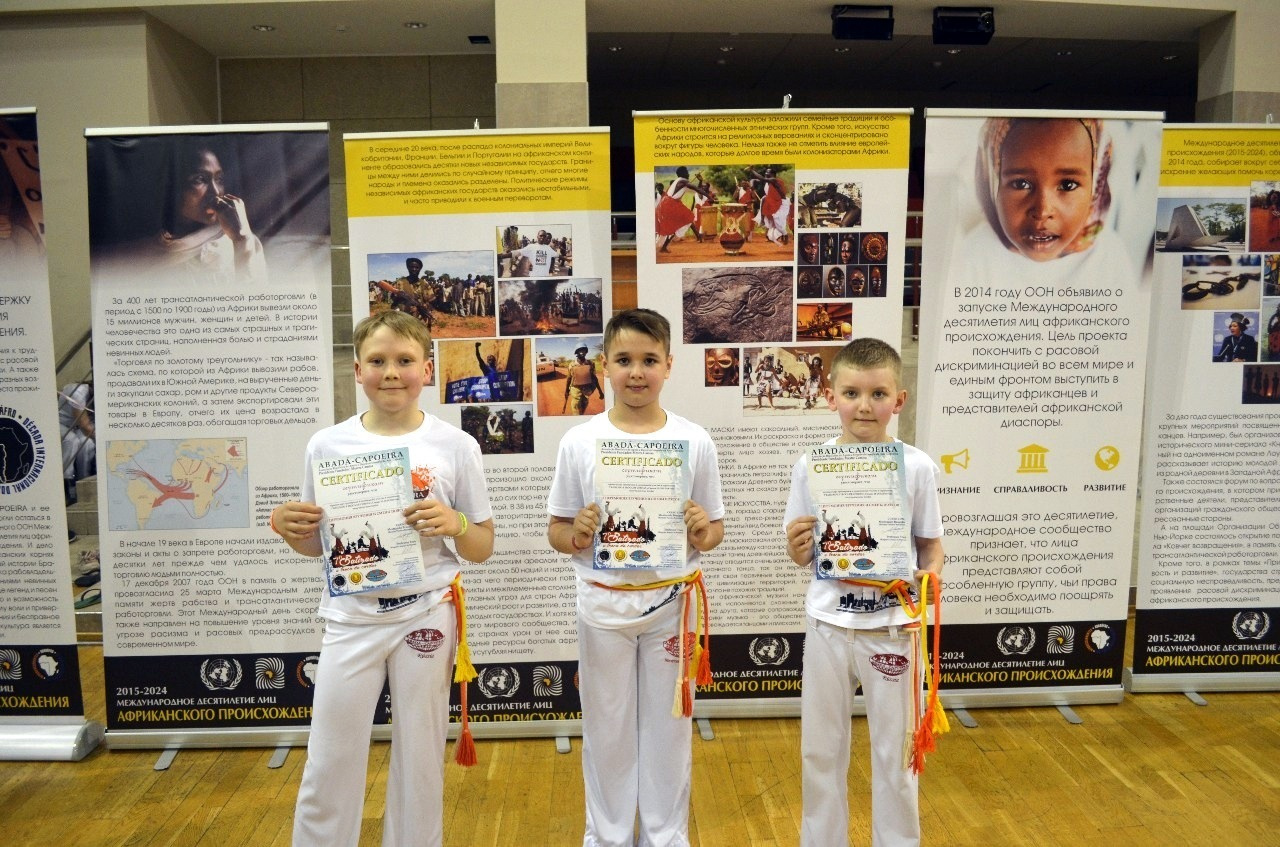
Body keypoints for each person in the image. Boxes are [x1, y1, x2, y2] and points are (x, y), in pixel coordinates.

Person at [270, 310, 496, 847]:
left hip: (427, 610)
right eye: (378, 361)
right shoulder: (327, 445)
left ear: (428, 369)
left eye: (403, 361)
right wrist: (286, 528)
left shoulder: (455, 446)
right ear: (357, 370)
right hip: (351, 617)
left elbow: (482, 546)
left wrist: (456, 522)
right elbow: (316, 545)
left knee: (420, 755)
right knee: (330, 755)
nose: (391, 372)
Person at [546, 308, 725, 847]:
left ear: (669, 365)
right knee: (607, 730)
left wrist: (701, 530)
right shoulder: (580, 441)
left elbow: (714, 531)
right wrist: (576, 532)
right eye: (624, 360)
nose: (637, 372)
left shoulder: (695, 440)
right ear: (604, 366)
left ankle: (666, 836)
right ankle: (606, 836)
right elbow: (556, 532)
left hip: (671, 605)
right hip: (603, 607)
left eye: (649, 360)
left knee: (670, 728)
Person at [783, 337, 944, 847]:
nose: (864, 406)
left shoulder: (916, 467)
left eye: (878, 394)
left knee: (895, 753)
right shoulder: (811, 465)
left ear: (900, 399)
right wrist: (798, 544)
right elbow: (802, 552)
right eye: (851, 392)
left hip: (892, 629)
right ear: (830, 397)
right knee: (820, 751)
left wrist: (927, 582)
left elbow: (931, 548)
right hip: (829, 624)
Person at [951, 117, 1131, 289]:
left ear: (1095, 188)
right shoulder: (974, 256)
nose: (1043, 210)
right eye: (1021, 183)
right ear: (991, 184)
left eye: (1067, 185)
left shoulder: (1109, 256)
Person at [129, 141, 267, 284]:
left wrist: (241, 240)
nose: (215, 192)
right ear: (174, 186)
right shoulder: (143, 255)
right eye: (200, 179)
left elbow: (256, 301)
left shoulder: (242, 242)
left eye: (219, 179)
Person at [656, 166, 713, 253]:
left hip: (666, 204)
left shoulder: (678, 181)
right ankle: (698, 236)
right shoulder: (683, 180)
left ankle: (664, 247)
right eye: (687, 172)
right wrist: (709, 196)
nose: (688, 173)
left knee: (678, 223)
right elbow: (696, 189)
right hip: (670, 204)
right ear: (682, 174)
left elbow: (697, 189)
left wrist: (700, 181)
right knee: (688, 217)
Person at [747, 166, 792, 245]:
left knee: (778, 221)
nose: (765, 173)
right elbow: (753, 180)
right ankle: (763, 220)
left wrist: (752, 170)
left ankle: (785, 235)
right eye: (765, 172)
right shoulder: (767, 182)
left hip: (782, 203)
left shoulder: (774, 180)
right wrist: (752, 185)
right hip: (773, 203)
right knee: (772, 222)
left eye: (768, 172)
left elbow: (762, 178)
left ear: (773, 174)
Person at [565, 344, 605, 414]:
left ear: (586, 352)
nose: (582, 352)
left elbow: (594, 378)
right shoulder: (572, 364)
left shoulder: (590, 363)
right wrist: (566, 391)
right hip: (576, 390)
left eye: (584, 350)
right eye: (580, 350)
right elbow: (569, 378)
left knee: (584, 406)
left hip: (587, 390)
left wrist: (600, 392)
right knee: (576, 408)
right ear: (576, 352)